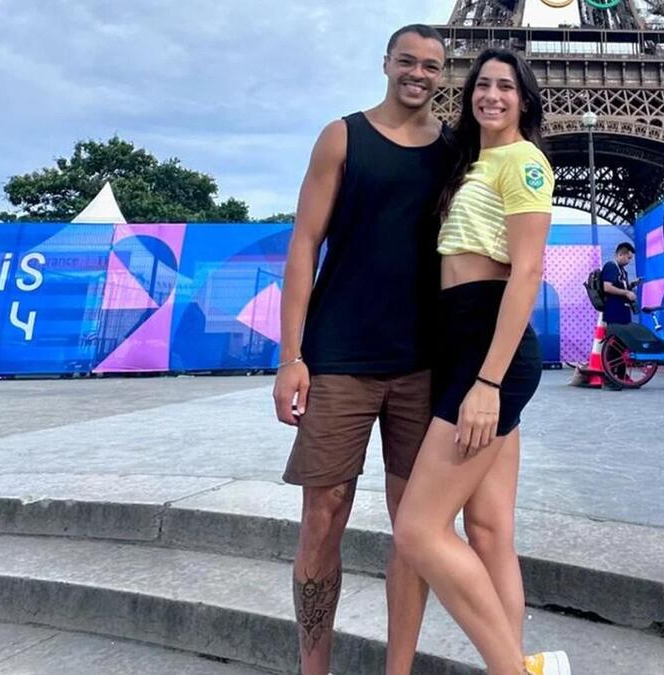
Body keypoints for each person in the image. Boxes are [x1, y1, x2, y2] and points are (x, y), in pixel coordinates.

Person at [271, 24, 453, 675]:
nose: (418, 73)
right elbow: (302, 244)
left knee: (414, 529)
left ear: (442, 73)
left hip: (424, 363)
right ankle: (312, 667)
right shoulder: (342, 137)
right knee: (322, 516)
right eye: (408, 60)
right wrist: (291, 354)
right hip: (339, 357)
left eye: (431, 65)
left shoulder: (458, 153)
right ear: (386, 63)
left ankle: (396, 669)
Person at [392, 49, 570, 675]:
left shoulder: (523, 161)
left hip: (489, 356)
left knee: (418, 529)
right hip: (467, 345)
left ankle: (511, 671)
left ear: (525, 100)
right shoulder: (477, 163)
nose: (491, 95)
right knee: (489, 529)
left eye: (505, 87)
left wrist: (487, 381)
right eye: (482, 85)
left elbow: (526, 273)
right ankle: (522, 662)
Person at [600, 242, 640, 326]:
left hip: (623, 311)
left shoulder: (623, 271)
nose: (629, 261)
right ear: (621, 254)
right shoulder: (611, 266)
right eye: (628, 258)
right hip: (614, 312)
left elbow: (620, 286)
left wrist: (631, 285)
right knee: (616, 337)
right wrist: (626, 292)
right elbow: (607, 287)